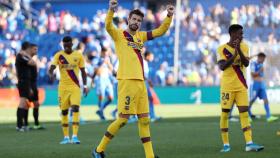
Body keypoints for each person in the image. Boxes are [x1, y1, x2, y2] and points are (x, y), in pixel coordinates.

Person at [92, 0, 174, 158]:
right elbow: (108, 26)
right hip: (126, 81)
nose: (136, 22)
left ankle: (150, 156)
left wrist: (169, 16)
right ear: (128, 19)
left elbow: (160, 31)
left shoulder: (141, 37)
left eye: (139, 20)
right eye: (134, 19)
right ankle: (98, 150)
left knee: (144, 121)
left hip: (140, 83)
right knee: (122, 120)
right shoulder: (119, 35)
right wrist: (111, 11)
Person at [217, 24, 264, 152]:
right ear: (232, 34)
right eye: (240, 33)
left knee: (244, 113)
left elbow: (246, 63)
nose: (242, 36)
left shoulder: (245, 47)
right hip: (227, 87)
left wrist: (240, 51)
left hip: (241, 86)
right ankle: (226, 144)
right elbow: (222, 66)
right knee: (225, 115)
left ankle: (249, 143)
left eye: (242, 34)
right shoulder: (221, 49)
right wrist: (234, 54)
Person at [48, 36, 89, 144]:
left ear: (72, 44)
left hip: (75, 87)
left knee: (75, 109)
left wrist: (85, 86)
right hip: (63, 88)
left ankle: (75, 136)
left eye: (68, 44)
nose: (66, 46)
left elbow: (83, 72)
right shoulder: (59, 55)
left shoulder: (78, 55)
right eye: (64, 45)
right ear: (63, 44)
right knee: (64, 112)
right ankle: (66, 137)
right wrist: (51, 74)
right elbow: (51, 68)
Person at [249, 52, 278, 122]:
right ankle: (247, 115)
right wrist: (259, 71)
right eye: (263, 59)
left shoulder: (261, 64)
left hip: (261, 84)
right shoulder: (253, 64)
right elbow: (252, 74)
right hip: (255, 85)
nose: (264, 60)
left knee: (266, 99)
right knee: (251, 100)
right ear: (260, 57)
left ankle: (269, 116)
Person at [15, 41, 37, 132]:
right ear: (27, 49)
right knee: (22, 102)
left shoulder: (22, 56)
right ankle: (19, 125)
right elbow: (32, 63)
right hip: (23, 81)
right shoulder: (21, 56)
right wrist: (27, 55)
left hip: (26, 82)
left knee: (26, 104)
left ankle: (24, 125)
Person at [93, 47, 114, 120]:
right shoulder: (97, 60)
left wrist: (108, 63)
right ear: (101, 52)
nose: (106, 54)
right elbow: (97, 72)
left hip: (107, 79)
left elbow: (112, 70)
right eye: (104, 53)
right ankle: (101, 113)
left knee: (111, 98)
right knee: (101, 96)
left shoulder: (108, 59)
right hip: (100, 79)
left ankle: (100, 110)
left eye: (107, 52)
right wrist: (103, 63)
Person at [144, 51, 161, 122]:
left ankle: (152, 116)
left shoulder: (146, 63)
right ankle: (150, 116)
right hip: (142, 83)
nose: (152, 58)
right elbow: (142, 74)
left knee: (150, 98)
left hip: (145, 83)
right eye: (151, 56)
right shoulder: (143, 62)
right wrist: (149, 81)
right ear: (147, 56)